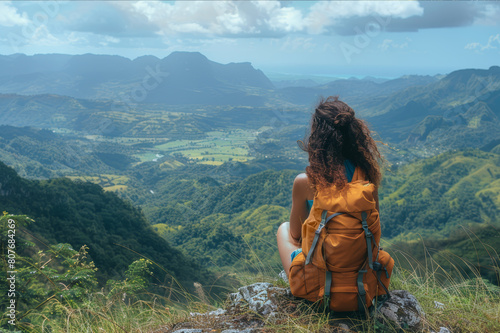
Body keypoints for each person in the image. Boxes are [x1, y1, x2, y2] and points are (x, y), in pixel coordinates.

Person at [277, 95, 382, 277]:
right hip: (360, 277)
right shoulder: (366, 177)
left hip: (319, 278)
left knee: (284, 230)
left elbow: (296, 234)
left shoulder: (306, 181)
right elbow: (375, 227)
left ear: (318, 136)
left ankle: (299, 280)